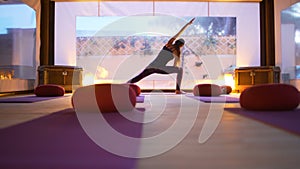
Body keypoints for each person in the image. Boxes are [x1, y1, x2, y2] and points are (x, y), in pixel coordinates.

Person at [127, 18, 195, 94]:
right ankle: (178, 90)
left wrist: (187, 24)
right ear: (181, 46)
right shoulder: (177, 52)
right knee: (180, 70)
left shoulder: (168, 44)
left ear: (176, 41)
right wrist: (174, 67)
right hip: (160, 68)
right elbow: (175, 66)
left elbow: (179, 33)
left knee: (138, 77)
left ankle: (123, 85)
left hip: (152, 66)